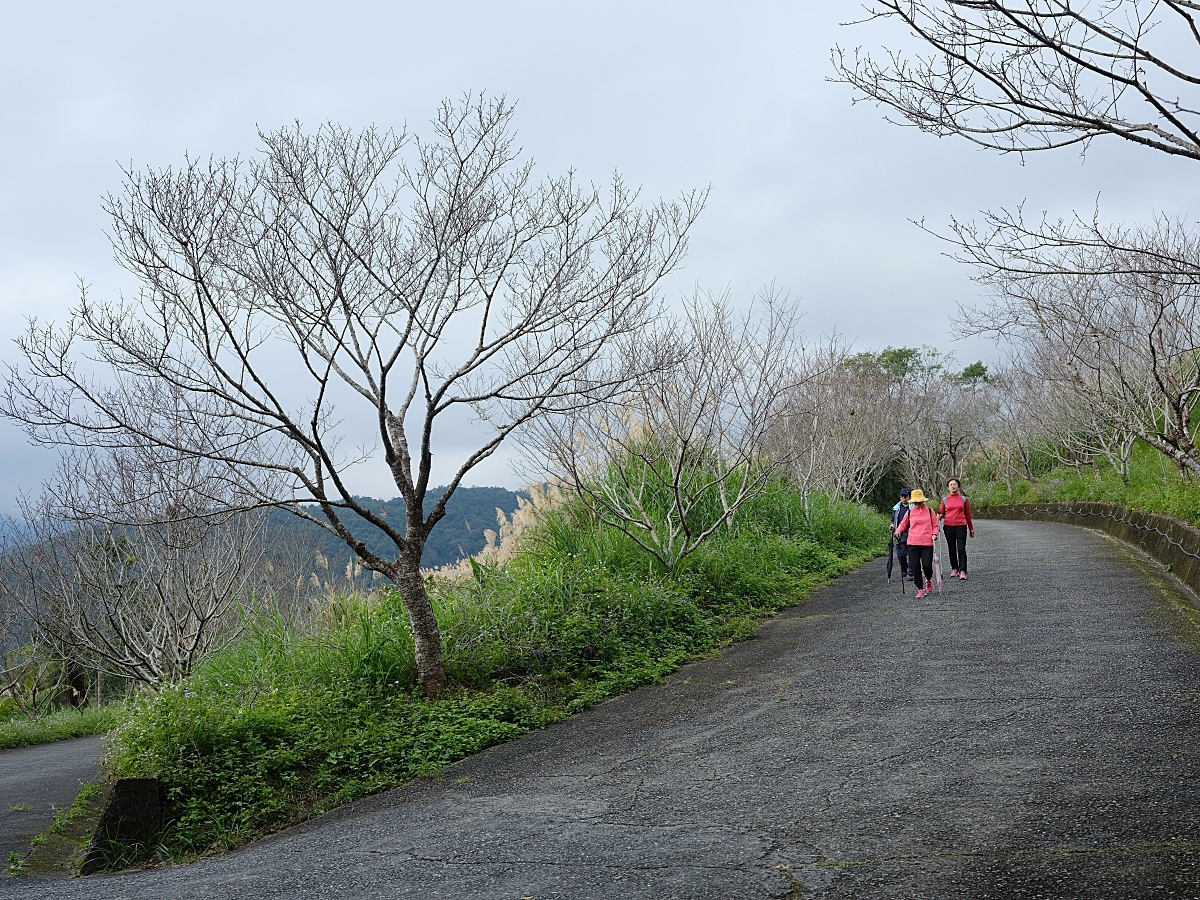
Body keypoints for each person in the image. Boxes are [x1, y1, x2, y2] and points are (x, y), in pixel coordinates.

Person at [895, 489, 938, 598]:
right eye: (915, 501)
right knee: (915, 566)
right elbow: (902, 524)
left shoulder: (930, 511)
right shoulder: (909, 512)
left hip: (927, 542)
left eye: (919, 501)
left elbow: (935, 525)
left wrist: (935, 534)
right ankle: (920, 588)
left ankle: (928, 579)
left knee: (927, 566)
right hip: (912, 542)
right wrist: (898, 531)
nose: (917, 503)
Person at [938, 477, 974, 580]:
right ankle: (954, 568)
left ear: (958, 486)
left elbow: (967, 515)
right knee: (951, 548)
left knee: (961, 549)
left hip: (961, 526)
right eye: (951, 485)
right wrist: (939, 516)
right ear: (948, 488)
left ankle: (963, 571)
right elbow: (941, 513)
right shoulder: (944, 500)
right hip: (948, 526)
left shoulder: (964, 499)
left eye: (955, 484)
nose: (953, 486)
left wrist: (971, 528)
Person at [889, 488, 912, 580]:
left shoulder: (913, 508)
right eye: (902, 496)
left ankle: (911, 572)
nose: (903, 498)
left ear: (909, 497)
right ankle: (904, 568)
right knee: (900, 554)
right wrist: (892, 525)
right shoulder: (896, 508)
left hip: (911, 533)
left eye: (905, 496)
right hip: (899, 533)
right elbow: (893, 519)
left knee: (911, 553)